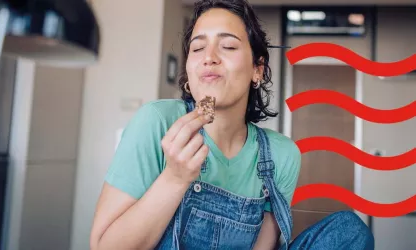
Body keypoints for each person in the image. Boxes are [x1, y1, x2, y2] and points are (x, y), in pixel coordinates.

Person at [90, 0, 375, 249]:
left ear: (257, 70)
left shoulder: (281, 155)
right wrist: (174, 178)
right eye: (197, 47)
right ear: (189, 70)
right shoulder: (157, 121)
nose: (209, 58)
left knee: (348, 230)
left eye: (227, 46)